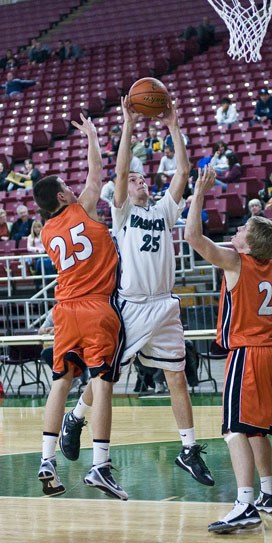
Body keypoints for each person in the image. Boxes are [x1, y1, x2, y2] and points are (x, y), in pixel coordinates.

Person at [63, 97, 214, 488]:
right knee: (107, 380)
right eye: (134, 180)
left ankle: (188, 448)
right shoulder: (122, 212)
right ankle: (77, 417)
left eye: (143, 178)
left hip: (165, 305)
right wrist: (128, 124)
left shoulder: (163, 210)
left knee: (177, 377)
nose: (140, 181)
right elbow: (120, 166)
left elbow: (182, 170)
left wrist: (174, 124)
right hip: (130, 307)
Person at [185, 167, 272, 533]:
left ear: (247, 244)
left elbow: (193, 236)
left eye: (243, 229)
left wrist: (198, 193)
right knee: (256, 429)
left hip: (248, 353)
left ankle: (245, 504)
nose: (238, 230)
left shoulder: (235, 262)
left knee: (233, 430)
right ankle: (268, 493)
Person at [32, 114, 127, 501]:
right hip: (95, 308)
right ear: (61, 197)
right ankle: (100, 465)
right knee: (102, 384)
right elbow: (96, 174)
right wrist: (91, 136)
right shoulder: (81, 209)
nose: (75, 189)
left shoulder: (45, 231)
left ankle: (46, 459)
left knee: (61, 381)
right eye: (67, 188)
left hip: (64, 310)